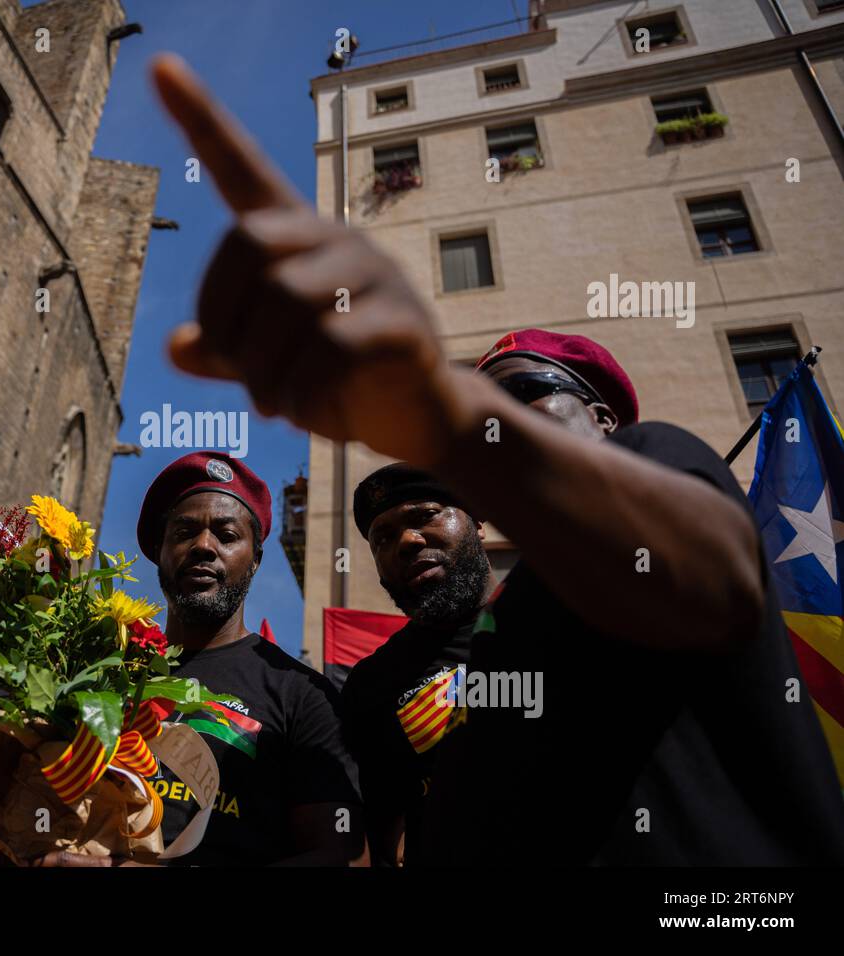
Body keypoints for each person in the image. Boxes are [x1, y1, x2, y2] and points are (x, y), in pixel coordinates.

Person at [145, 54, 844, 863]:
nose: (495, 421)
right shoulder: (477, 653)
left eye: (524, 396)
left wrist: (444, 413)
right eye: (382, 535)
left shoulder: (663, 467)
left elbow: (700, 573)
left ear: (603, 416)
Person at [131, 450, 365, 866]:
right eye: (184, 531)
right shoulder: (103, 672)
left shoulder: (303, 695)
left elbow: (338, 854)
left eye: (226, 535)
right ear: (158, 550)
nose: (203, 546)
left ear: (255, 559)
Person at [340, 466, 494, 867]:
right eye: (382, 538)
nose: (407, 541)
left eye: (425, 515)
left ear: (477, 523)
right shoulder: (370, 685)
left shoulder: (557, 622)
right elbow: (380, 835)